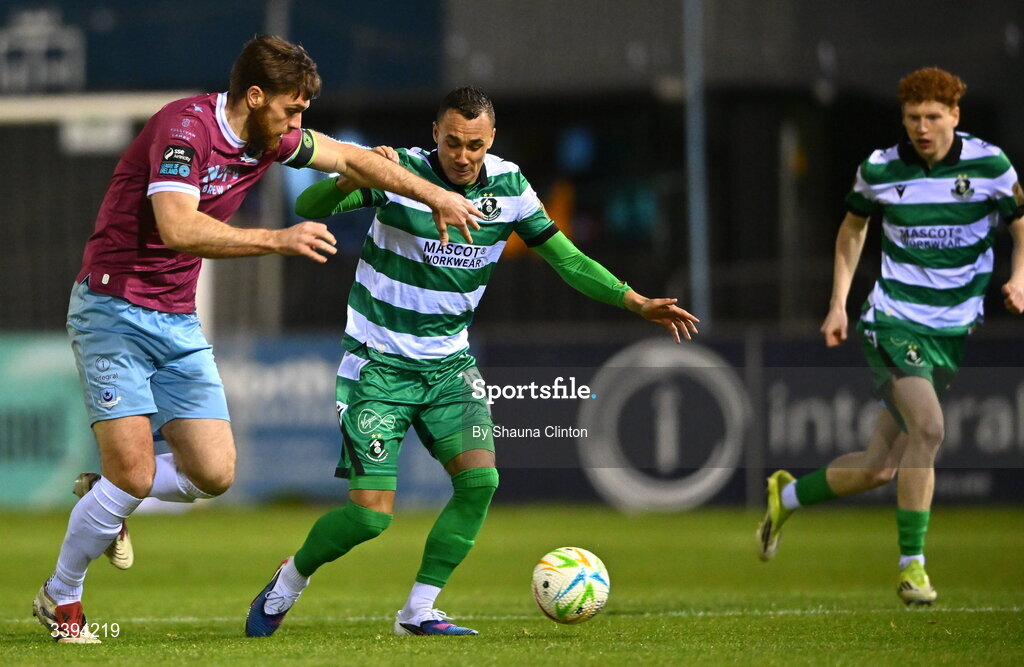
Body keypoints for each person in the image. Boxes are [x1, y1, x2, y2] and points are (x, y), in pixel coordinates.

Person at [35, 35, 485, 644]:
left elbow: (353, 161)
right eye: (292, 109)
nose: (298, 124)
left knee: (212, 474)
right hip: (112, 307)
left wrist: (436, 194)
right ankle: (61, 597)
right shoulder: (184, 129)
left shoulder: (272, 137)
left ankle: (108, 494)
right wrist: (278, 238)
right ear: (255, 96)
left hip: (175, 316)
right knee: (135, 474)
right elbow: (175, 227)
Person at [245, 86, 700, 637]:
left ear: (491, 141)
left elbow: (568, 260)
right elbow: (307, 207)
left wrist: (635, 300)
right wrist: (356, 175)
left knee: (479, 482)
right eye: (454, 142)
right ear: (435, 132)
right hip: (379, 364)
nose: (463, 156)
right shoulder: (401, 173)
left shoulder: (510, 189)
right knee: (369, 516)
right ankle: (289, 580)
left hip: (449, 368)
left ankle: (418, 611)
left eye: (476, 146)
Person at [757, 67, 1024, 605]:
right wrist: (838, 304)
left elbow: (1022, 223)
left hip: (950, 329)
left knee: (879, 467)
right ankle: (911, 568)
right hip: (893, 320)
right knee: (929, 427)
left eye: (932, 117)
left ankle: (786, 496)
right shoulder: (880, 169)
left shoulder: (991, 166)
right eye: (912, 118)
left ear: (954, 116)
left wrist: (1020, 275)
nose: (921, 128)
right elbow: (852, 231)